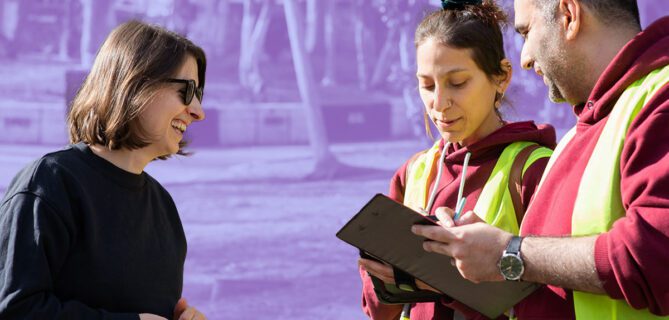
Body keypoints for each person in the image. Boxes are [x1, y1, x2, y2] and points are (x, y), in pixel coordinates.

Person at [411, 0, 669, 318]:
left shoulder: (659, 100)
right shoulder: (589, 128)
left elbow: (656, 258)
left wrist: (509, 252)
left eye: (526, 32)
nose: (525, 58)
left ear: (568, 15)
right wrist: (480, 254)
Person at [357, 0, 557, 318]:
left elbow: (557, 304)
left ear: (502, 77)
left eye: (458, 83)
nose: (439, 103)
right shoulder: (412, 172)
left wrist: (452, 281)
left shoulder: (535, 170)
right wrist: (385, 279)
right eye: (426, 85)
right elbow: (378, 311)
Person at [0, 20, 208, 320]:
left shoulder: (163, 206)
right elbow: (15, 309)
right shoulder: (50, 184)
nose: (198, 111)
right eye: (187, 91)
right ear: (135, 84)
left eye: (199, 94)